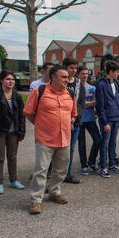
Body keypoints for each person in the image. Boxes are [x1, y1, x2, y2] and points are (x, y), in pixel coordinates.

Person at [24, 65, 77, 215]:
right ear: (53, 77)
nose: (67, 80)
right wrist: (40, 124)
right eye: (64, 77)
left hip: (64, 139)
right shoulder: (39, 91)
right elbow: (28, 112)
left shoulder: (70, 93)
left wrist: (70, 120)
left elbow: (73, 113)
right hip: (45, 139)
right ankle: (36, 200)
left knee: (60, 170)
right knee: (41, 171)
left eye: (68, 77)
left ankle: (54, 192)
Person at [0, 70, 26, 194]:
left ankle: (13, 180)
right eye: (8, 79)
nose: (10, 81)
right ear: (1, 80)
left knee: (12, 157)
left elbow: (21, 115)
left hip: (13, 131)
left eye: (12, 79)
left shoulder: (17, 95)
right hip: (0, 132)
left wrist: (21, 131)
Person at [95, 60, 119, 178]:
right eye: (117, 72)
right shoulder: (101, 84)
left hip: (116, 118)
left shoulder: (117, 84)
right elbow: (100, 106)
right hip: (107, 119)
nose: (118, 74)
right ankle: (103, 167)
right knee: (105, 143)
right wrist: (103, 122)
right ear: (111, 71)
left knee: (113, 143)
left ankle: (112, 165)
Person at [63, 58, 86, 184]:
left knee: (71, 148)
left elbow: (82, 103)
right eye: (71, 67)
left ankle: (67, 173)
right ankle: (54, 172)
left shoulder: (79, 83)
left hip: (75, 122)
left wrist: (74, 117)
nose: (73, 70)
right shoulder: (60, 82)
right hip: (61, 121)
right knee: (58, 148)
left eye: (75, 68)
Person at [77, 65, 102, 175]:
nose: (85, 76)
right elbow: (74, 104)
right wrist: (87, 104)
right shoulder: (76, 88)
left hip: (90, 119)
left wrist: (82, 104)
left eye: (86, 73)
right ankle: (84, 165)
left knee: (98, 140)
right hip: (79, 120)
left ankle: (92, 161)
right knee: (81, 144)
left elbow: (95, 102)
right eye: (83, 73)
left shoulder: (92, 88)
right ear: (78, 75)